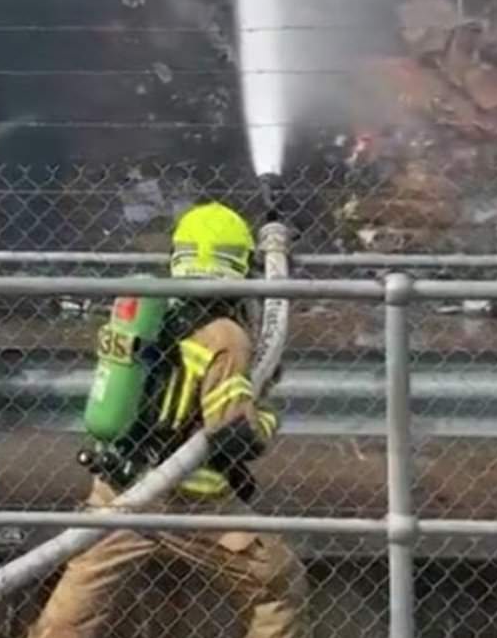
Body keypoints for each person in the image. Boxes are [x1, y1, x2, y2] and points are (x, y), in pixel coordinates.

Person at [28, 201, 309, 638]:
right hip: (193, 503)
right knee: (278, 585)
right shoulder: (225, 336)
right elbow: (234, 438)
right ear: (238, 261)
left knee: (72, 617)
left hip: (119, 491)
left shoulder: (149, 311)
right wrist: (268, 415)